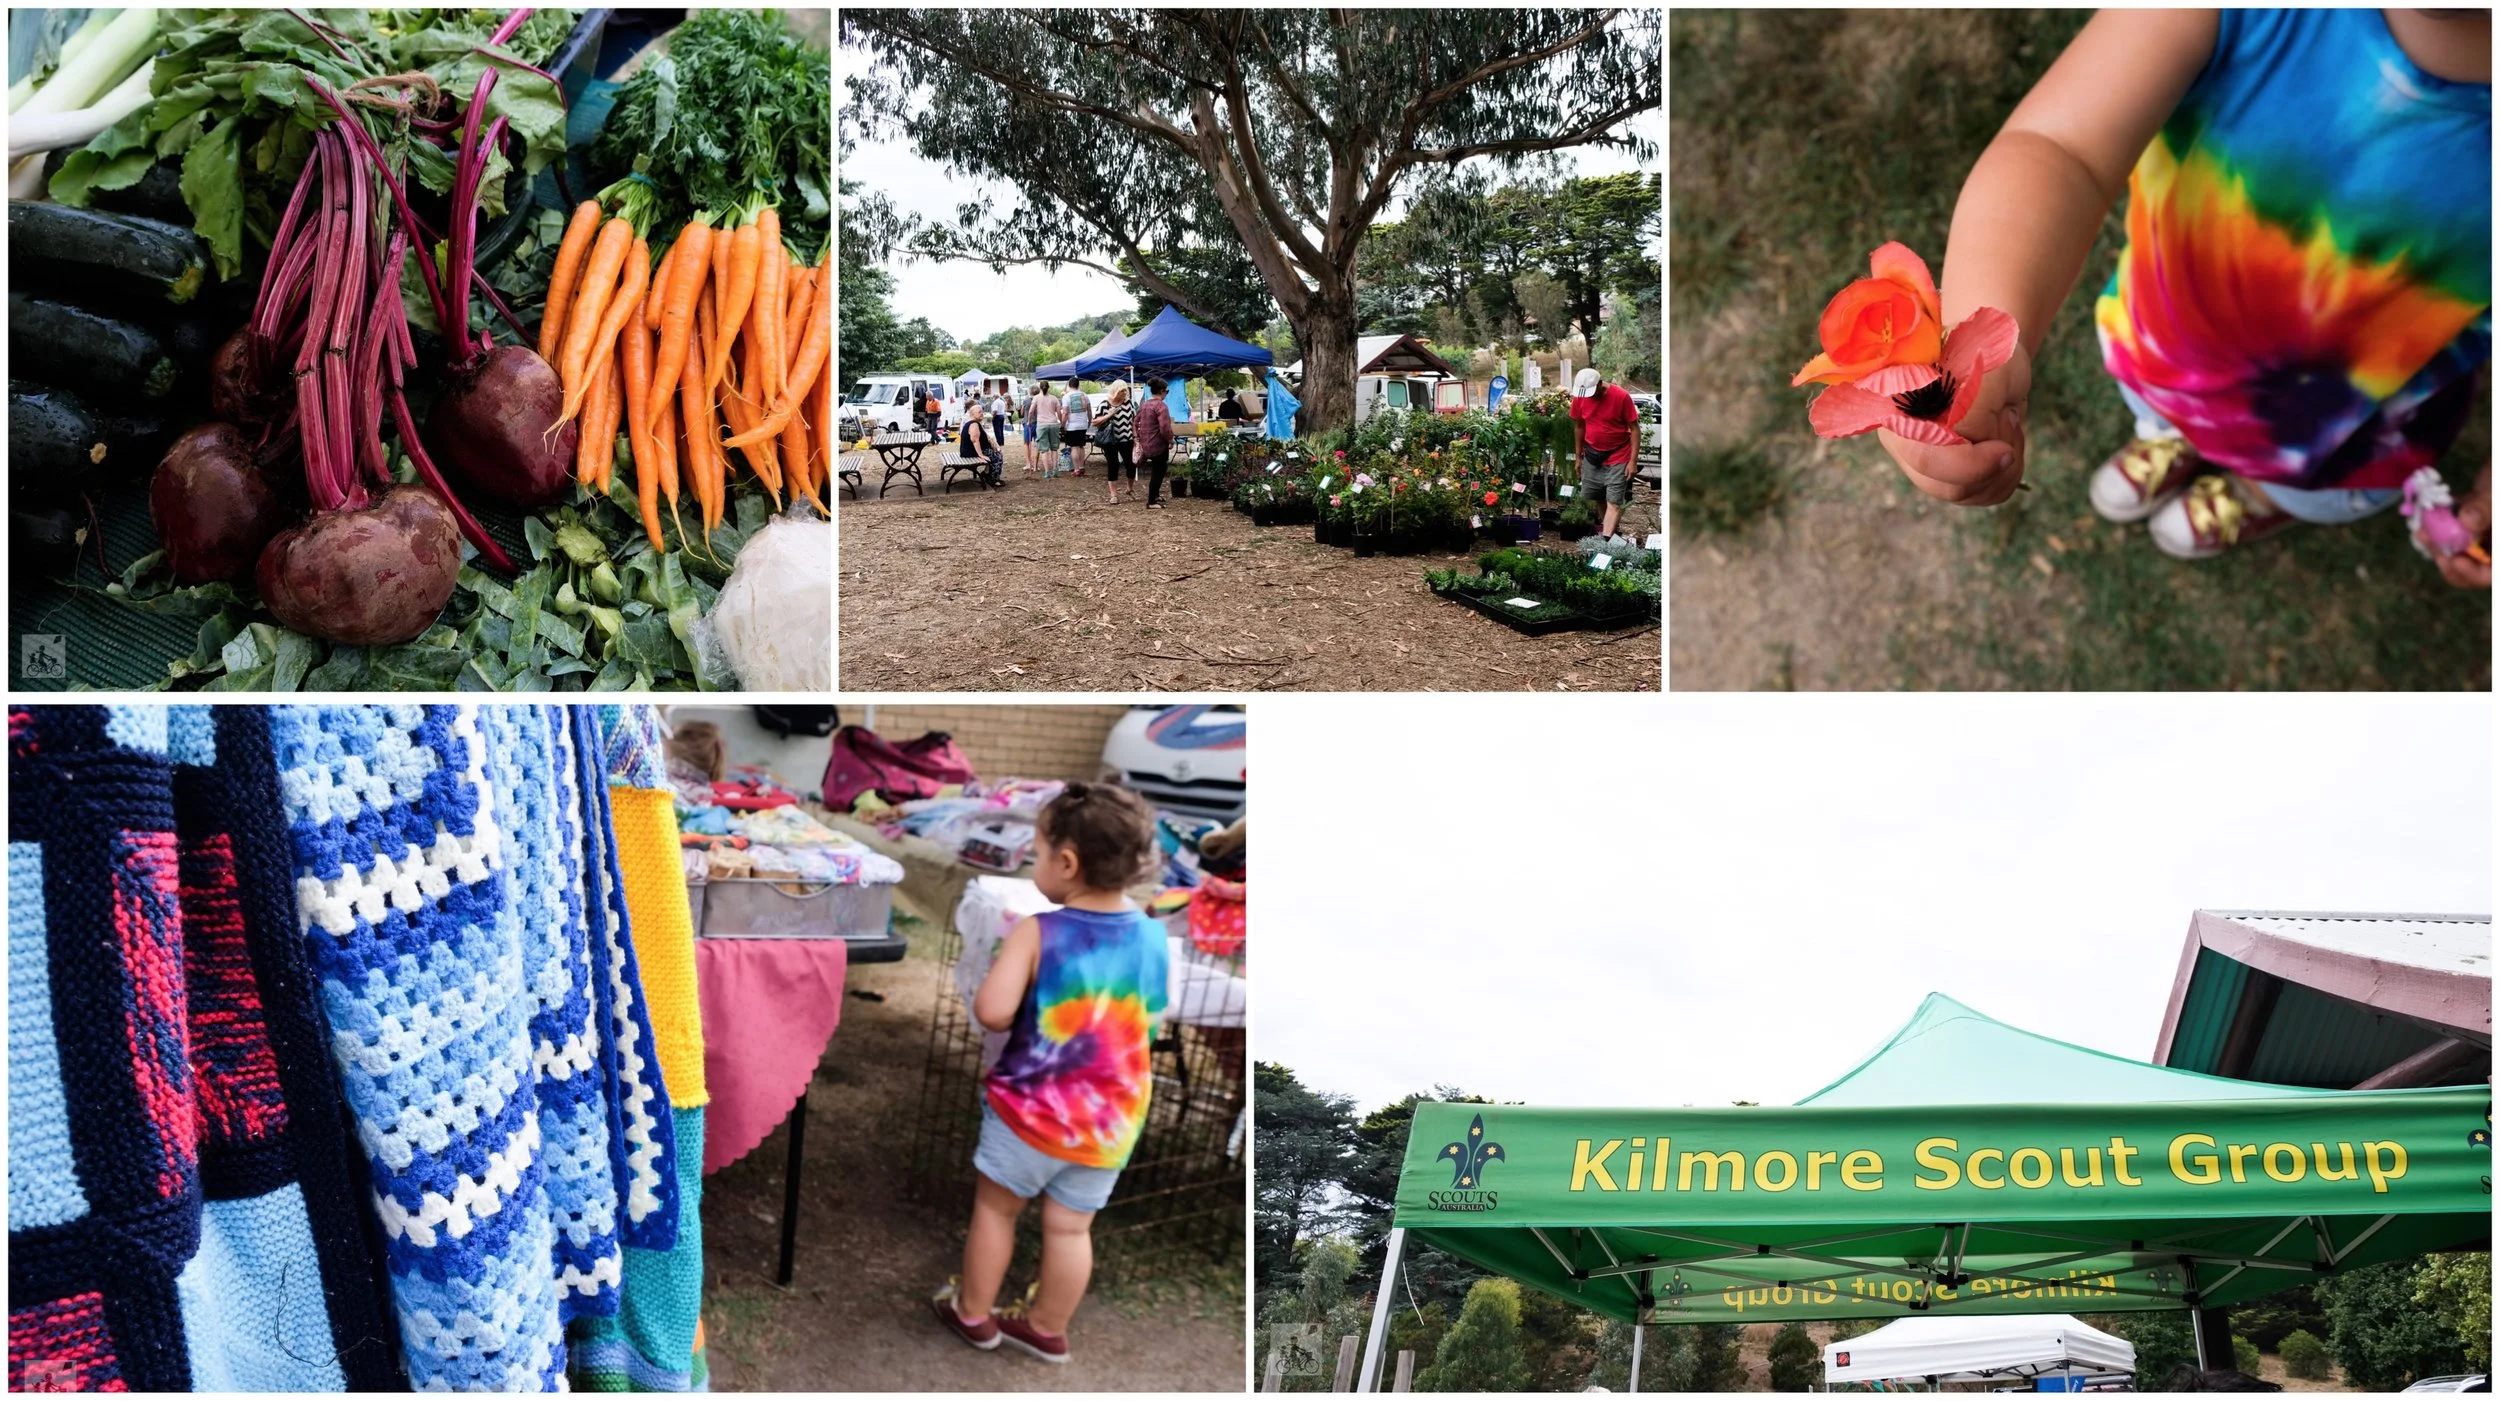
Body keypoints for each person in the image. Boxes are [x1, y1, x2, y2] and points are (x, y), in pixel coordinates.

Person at [1869, 9, 2489, 583]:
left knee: (2298, 484)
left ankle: (2261, 495)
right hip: (2169, 357)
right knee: (2163, 412)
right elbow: (2062, 149)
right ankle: (2169, 438)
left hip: (2347, 437)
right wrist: (1979, 342)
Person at [930, 784, 1168, 1366]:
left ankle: (974, 1314)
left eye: (1036, 853)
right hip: (1109, 1123)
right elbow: (1152, 1020)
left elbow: (993, 1011)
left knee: (997, 1211)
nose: (1034, 864)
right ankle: (1046, 1328)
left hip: (1031, 1113)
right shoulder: (1154, 935)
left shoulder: (1038, 930)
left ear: (1067, 862)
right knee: (1070, 1229)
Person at [1569, 367, 1641, 538]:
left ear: (1600, 384)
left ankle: (1606, 540)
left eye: (1592, 393)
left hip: (1619, 454)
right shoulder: (1581, 396)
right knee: (1599, 497)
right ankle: (1611, 534)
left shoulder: (1621, 396)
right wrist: (1578, 457)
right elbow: (1579, 426)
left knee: (1614, 501)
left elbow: (1635, 429)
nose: (1589, 397)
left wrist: (1632, 461)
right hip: (1592, 455)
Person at [1135, 377, 1176, 509]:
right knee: (1158, 471)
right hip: (1158, 445)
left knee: (1156, 470)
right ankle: (1151, 501)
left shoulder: (1144, 405)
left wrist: (1138, 438)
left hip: (1146, 444)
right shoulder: (1161, 406)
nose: (1166, 394)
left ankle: (1156, 495)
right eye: (1167, 391)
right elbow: (1164, 428)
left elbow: (1135, 422)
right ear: (1162, 391)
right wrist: (1170, 439)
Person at [1094, 385, 1137, 503]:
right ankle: (1113, 495)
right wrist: (1109, 415)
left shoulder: (1128, 403)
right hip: (1110, 440)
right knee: (1113, 465)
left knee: (1131, 464)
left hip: (1126, 438)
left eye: (1125, 392)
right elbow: (1094, 422)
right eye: (1121, 392)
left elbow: (1133, 421)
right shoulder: (1104, 404)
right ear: (1115, 392)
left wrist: (1135, 436)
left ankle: (1129, 488)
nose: (1123, 395)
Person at [1027, 381, 1063, 479]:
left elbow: (1030, 412)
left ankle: (1047, 472)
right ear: (1048, 387)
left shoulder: (1036, 398)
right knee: (1054, 449)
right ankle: (1055, 469)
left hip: (1042, 425)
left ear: (1040, 388)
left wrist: (1029, 422)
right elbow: (1059, 412)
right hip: (1053, 424)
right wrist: (1061, 422)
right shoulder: (1054, 398)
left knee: (1044, 450)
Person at [960, 410, 1004, 489]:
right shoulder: (974, 424)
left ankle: (987, 474)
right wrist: (980, 455)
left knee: (996, 454)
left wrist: (996, 446)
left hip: (973, 450)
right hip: (971, 452)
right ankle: (992, 479)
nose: (981, 414)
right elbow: (975, 440)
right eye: (979, 412)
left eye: (982, 412)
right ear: (972, 414)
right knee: (997, 457)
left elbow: (987, 437)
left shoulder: (976, 423)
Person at [1060, 383, 1093, 476]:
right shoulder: (1084, 395)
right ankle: (1082, 467)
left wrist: (1062, 424)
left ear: (1069, 385)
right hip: (1083, 424)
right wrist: (1089, 420)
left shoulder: (1066, 397)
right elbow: (1089, 410)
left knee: (1074, 447)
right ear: (1078, 385)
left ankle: (1076, 469)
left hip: (1072, 426)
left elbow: (1065, 413)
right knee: (1081, 446)